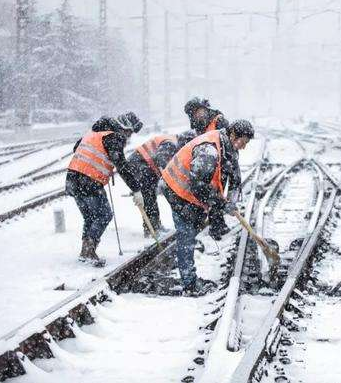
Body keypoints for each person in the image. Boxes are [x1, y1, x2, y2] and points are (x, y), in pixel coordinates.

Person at [159, 120, 254, 295]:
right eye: (243, 142)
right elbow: (199, 186)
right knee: (186, 233)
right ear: (233, 134)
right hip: (176, 189)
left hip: (189, 190)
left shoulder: (227, 145)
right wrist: (221, 204)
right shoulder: (209, 151)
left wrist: (231, 201)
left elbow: (234, 175)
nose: (244, 147)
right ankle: (189, 284)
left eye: (247, 143)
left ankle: (187, 271)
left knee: (192, 227)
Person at [65, 112, 144, 267]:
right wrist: (136, 189)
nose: (128, 138)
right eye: (128, 133)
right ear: (124, 128)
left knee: (90, 217)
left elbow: (77, 148)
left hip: (73, 180)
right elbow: (122, 166)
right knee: (104, 215)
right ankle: (89, 250)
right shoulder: (114, 137)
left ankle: (85, 251)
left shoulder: (94, 133)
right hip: (89, 181)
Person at [184, 97, 239, 240]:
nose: (197, 115)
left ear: (204, 108)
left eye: (198, 111)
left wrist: (229, 163)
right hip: (210, 163)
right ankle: (215, 224)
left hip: (222, 162)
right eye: (193, 113)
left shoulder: (219, 121)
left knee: (217, 194)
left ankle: (217, 226)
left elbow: (230, 143)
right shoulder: (198, 125)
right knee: (210, 193)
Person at [127, 130, 197, 236]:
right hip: (139, 164)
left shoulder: (173, 141)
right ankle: (153, 229)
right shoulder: (171, 143)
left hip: (143, 164)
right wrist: (167, 177)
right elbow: (161, 159)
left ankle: (153, 227)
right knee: (149, 197)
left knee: (149, 197)